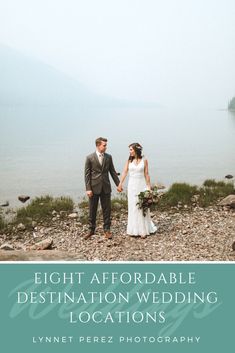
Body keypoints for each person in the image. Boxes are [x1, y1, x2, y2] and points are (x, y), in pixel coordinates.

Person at [117, 143, 157, 238]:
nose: (130, 151)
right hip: (132, 186)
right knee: (133, 206)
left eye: (131, 149)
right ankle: (133, 229)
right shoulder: (129, 161)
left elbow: (146, 174)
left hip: (142, 185)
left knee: (142, 206)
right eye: (129, 150)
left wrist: (148, 187)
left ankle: (143, 230)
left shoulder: (144, 160)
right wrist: (120, 183)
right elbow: (125, 172)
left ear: (136, 150)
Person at [84, 137, 120, 240]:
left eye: (106, 145)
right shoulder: (89, 157)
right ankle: (91, 230)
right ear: (98, 145)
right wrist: (88, 188)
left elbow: (112, 172)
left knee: (107, 210)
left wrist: (118, 184)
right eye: (104, 145)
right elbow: (86, 175)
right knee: (92, 209)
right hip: (93, 188)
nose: (106, 147)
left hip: (106, 187)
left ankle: (107, 230)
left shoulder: (109, 157)